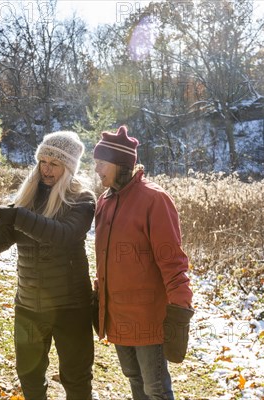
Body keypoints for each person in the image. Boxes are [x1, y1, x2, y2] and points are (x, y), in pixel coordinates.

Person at [0, 131, 96, 400]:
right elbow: (3, 236)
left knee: (76, 377)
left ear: (69, 168)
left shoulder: (82, 200)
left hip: (71, 307)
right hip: (28, 306)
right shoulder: (27, 200)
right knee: (30, 376)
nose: (46, 169)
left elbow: (62, 235)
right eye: (42, 162)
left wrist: (18, 216)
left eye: (54, 164)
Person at [92, 126, 194, 400]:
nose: (97, 168)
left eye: (102, 162)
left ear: (120, 163)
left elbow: (172, 260)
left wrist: (180, 308)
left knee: (156, 389)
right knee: (134, 381)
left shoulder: (154, 199)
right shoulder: (104, 201)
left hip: (148, 318)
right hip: (117, 316)